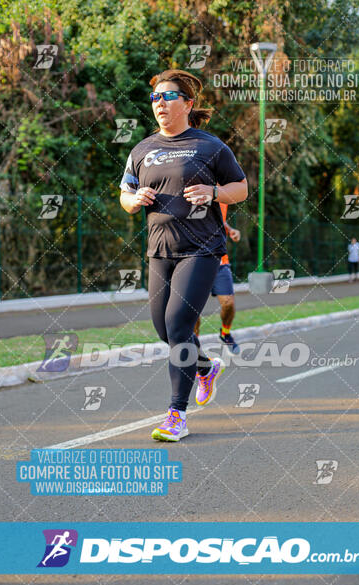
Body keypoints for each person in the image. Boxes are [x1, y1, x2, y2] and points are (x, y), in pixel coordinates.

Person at [119, 69, 247, 442]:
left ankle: (177, 414)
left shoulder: (210, 146)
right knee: (164, 330)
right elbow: (125, 192)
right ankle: (205, 366)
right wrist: (133, 201)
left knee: (178, 325)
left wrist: (213, 193)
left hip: (201, 249)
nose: (159, 103)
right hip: (159, 250)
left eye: (168, 97)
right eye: (155, 98)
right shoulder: (141, 149)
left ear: (188, 104)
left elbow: (240, 188)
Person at [194, 202, 241, 354]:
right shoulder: (193, 191)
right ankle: (194, 344)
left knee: (228, 303)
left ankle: (225, 333)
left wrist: (230, 230)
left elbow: (220, 220)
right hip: (195, 261)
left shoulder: (222, 195)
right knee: (193, 308)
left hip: (220, 260)